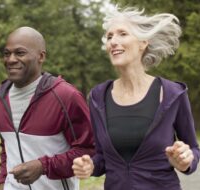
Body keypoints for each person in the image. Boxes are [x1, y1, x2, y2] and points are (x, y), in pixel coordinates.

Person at [72, 6, 200, 190]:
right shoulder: (98, 97)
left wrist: (186, 161)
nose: (113, 41)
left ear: (143, 43)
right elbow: (100, 157)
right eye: (109, 37)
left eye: (122, 34)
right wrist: (90, 166)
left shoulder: (173, 93)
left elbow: (193, 149)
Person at [0, 26, 95, 190]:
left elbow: (89, 150)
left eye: (20, 53)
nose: (11, 59)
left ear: (41, 56)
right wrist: (2, 181)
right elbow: (7, 146)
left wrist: (43, 166)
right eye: (7, 53)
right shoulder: (1, 95)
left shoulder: (66, 96)